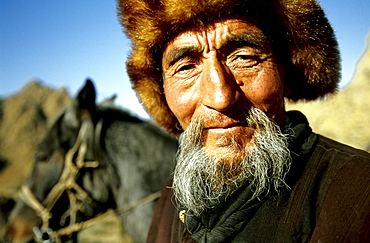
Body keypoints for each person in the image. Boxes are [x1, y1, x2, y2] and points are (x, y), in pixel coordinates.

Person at [117, 0, 370, 242]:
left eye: (244, 57)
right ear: (163, 91)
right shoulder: (172, 197)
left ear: (287, 74)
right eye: (185, 68)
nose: (221, 97)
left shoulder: (359, 192)